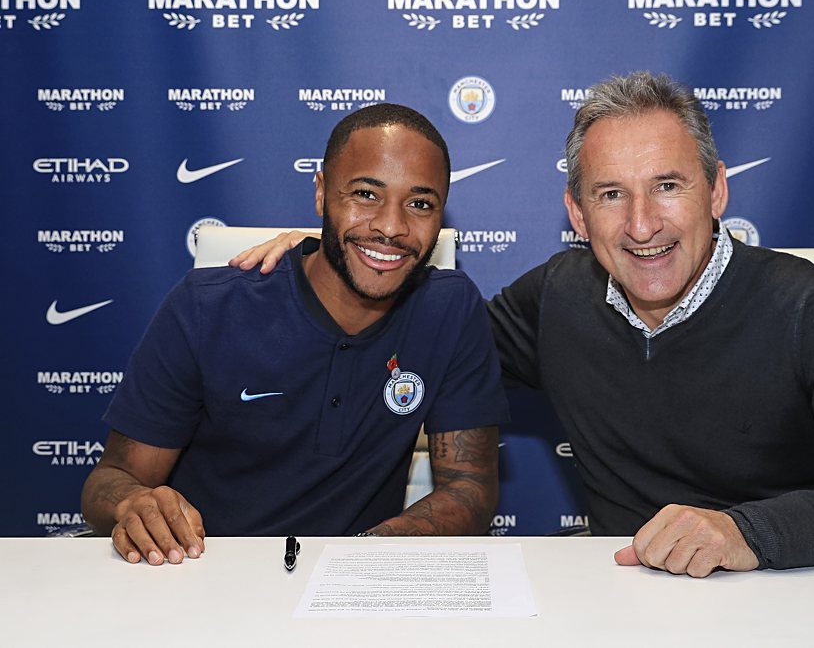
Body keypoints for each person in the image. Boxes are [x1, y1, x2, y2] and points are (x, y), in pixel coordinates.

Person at [233, 73, 814, 577]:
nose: (643, 223)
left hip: (787, 603)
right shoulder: (558, 297)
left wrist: (749, 532)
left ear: (717, 191)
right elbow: (427, 345)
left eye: (669, 186)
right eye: (612, 194)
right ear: (577, 215)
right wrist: (324, 260)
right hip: (622, 599)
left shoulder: (809, 307)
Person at [81, 104, 509, 566]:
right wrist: (132, 505)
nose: (391, 226)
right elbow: (114, 477)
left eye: (420, 203)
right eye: (366, 194)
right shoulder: (208, 306)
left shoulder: (449, 308)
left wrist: (362, 559)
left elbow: (470, 487)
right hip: (200, 575)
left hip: (350, 597)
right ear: (323, 194)